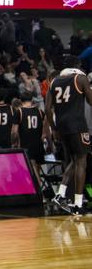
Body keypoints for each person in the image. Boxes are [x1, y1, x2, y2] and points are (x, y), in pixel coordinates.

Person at [46, 57, 92, 216]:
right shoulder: (80, 78)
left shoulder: (54, 82)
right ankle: (78, 204)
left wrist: (54, 129)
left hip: (62, 127)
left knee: (74, 160)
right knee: (81, 162)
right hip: (78, 125)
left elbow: (47, 109)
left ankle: (60, 193)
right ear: (78, 66)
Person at [12, 92, 45, 185]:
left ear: (20, 100)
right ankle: (40, 190)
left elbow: (14, 131)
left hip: (26, 145)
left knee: (31, 169)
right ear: (32, 99)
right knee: (37, 170)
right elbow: (45, 130)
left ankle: (39, 193)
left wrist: (13, 142)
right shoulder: (40, 111)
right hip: (38, 144)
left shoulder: (19, 112)